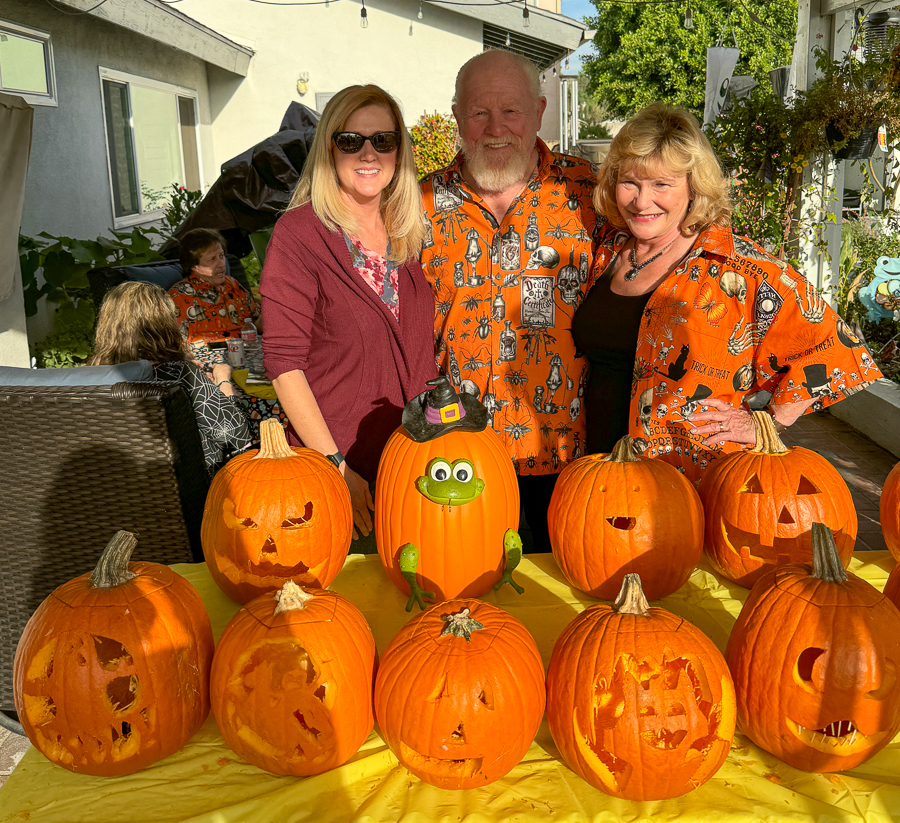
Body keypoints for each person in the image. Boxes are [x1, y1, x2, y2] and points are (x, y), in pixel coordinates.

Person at [571, 102, 881, 482]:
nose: (641, 200)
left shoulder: (738, 266)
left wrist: (763, 422)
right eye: (630, 182)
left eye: (661, 185)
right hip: (594, 471)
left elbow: (834, 347)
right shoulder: (607, 251)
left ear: (692, 187)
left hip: (687, 482)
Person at [420, 49, 598, 552]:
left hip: (567, 459)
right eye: (479, 112)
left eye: (511, 111)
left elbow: (671, 263)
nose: (495, 127)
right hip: (455, 458)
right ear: (458, 117)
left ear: (540, 111)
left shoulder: (591, 194)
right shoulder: (415, 207)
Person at [261, 84, 439, 541]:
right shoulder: (300, 234)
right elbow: (284, 364)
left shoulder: (407, 232)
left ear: (399, 150)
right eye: (350, 140)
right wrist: (335, 467)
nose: (368, 153)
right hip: (341, 472)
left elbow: (420, 355)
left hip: (411, 467)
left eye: (383, 140)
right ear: (328, 147)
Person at [92, 281, 252, 475]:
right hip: (195, 489)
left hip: (127, 488)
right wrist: (223, 381)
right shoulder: (180, 373)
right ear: (163, 326)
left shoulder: (92, 376)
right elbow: (238, 436)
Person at [169, 228, 260, 357]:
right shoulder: (179, 296)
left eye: (221, 256)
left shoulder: (232, 284)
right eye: (212, 259)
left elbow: (258, 322)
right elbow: (179, 347)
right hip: (213, 361)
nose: (221, 264)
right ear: (195, 266)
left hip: (249, 352)